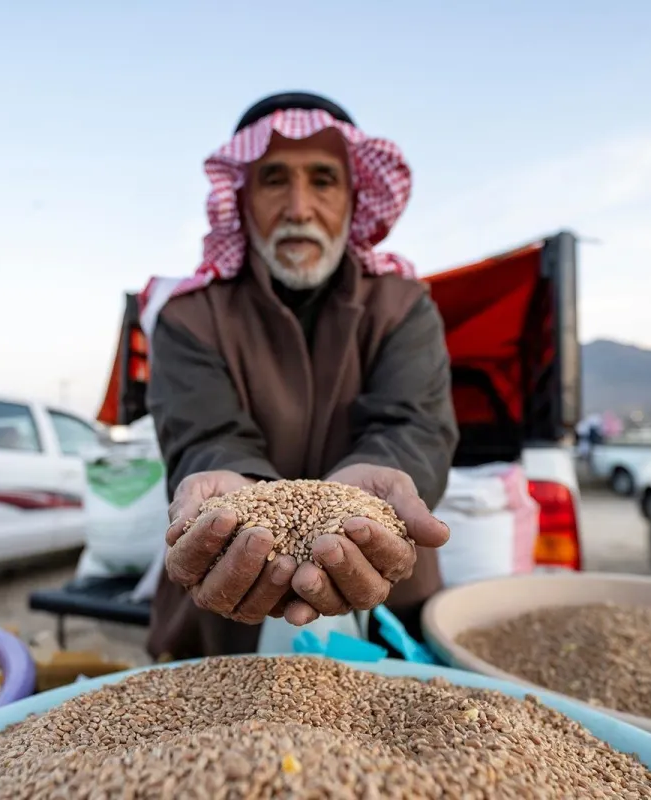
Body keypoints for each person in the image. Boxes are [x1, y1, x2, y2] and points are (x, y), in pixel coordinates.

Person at [142, 92, 459, 660]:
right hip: (226, 606)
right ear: (239, 200)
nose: (298, 207)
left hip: (383, 591)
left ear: (354, 197)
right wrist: (233, 496)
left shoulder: (403, 305)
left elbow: (416, 426)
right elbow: (203, 437)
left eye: (322, 180)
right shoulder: (188, 317)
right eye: (273, 180)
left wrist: (374, 493)